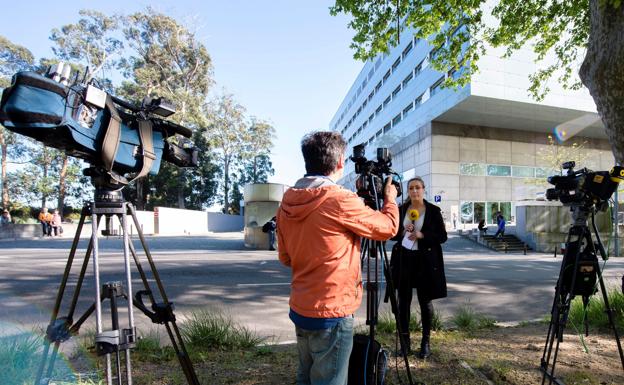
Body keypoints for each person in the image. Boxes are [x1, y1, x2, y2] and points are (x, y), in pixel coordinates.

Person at [277, 131, 399, 385]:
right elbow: (387, 227)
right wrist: (389, 199)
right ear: (340, 161)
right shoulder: (340, 200)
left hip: (301, 308)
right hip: (332, 311)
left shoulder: (286, 202)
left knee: (306, 377)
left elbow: (286, 258)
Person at [390, 176, 447, 359]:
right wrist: (399, 232)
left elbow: (442, 236)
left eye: (417, 188)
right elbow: (392, 235)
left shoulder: (433, 211)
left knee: (425, 302)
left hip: (425, 262)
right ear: (408, 192)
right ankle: (405, 344)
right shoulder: (401, 210)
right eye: (411, 188)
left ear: (423, 190)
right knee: (402, 303)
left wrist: (422, 234)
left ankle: (425, 343)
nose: (414, 191)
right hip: (404, 260)